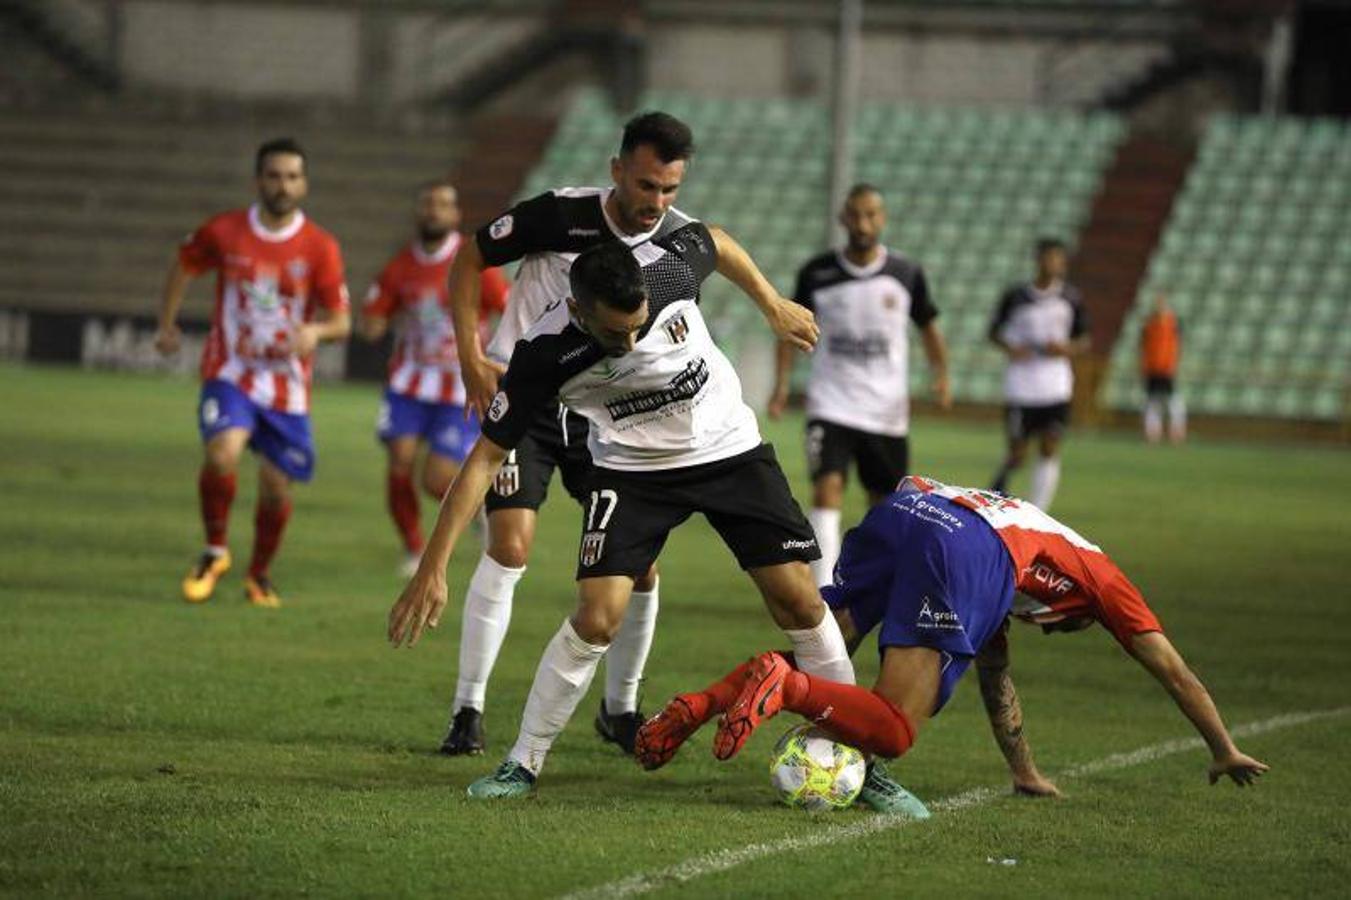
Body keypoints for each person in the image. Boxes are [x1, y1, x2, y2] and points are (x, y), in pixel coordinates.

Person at [388, 239, 865, 804]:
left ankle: (855, 750)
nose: (632, 342)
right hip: (631, 470)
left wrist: (770, 303)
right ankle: (523, 762)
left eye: (638, 326)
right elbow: (484, 460)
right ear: (577, 309)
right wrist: (433, 567)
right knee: (597, 618)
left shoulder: (667, 274)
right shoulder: (541, 355)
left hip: (727, 449)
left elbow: (715, 239)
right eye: (615, 334)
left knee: (801, 602)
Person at [637, 475, 1270, 812]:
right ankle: (788, 689)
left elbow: (997, 678)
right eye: (1062, 625)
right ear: (1075, 612)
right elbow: (1175, 671)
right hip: (964, 547)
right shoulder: (1099, 578)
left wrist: (1024, 773)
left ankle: (700, 703)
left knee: (830, 642)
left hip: (914, 509)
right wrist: (1224, 748)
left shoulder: (1022, 557)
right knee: (893, 728)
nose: (1047, 627)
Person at [432, 113, 729, 758]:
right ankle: (468, 709)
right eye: (648, 185)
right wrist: (470, 356)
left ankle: (620, 709)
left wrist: (770, 302)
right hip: (531, 401)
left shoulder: (672, 238)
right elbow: (468, 256)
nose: (657, 202)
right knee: (510, 548)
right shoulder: (558, 214)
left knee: (641, 566)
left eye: (670, 189)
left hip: (606, 415)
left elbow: (720, 248)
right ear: (618, 169)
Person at [154, 138, 351, 608]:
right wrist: (167, 323)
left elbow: (343, 322)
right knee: (222, 453)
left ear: (303, 184)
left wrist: (316, 332)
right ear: (258, 180)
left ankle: (259, 574)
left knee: (276, 485)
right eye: (273, 175)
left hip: (286, 385)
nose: (282, 185)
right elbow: (184, 264)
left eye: (291, 177)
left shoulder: (320, 247)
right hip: (231, 369)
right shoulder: (225, 231)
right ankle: (214, 550)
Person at [769, 183, 951, 587]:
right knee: (826, 489)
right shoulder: (816, 273)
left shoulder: (906, 274)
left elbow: (930, 328)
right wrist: (782, 385)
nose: (863, 223)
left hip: (886, 412)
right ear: (843, 219)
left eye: (871, 215)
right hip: (831, 403)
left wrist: (941, 375)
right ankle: (825, 592)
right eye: (855, 214)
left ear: (882, 218)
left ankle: (875, 584)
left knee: (885, 505)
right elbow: (789, 329)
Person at [359, 181, 509, 575]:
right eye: (428, 204)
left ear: (456, 215)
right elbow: (373, 320)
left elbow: (508, 308)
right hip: (408, 383)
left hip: (458, 386)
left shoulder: (473, 262)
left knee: (436, 478)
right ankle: (413, 547)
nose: (434, 211)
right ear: (418, 212)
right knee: (399, 460)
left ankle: (479, 508)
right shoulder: (400, 267)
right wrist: (373, 318)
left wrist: (492, 355)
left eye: (443, 205)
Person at [987, 238, 1088, 511]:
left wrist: (1066, 348)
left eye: (1058, 259)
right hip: (1022, 385)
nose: (1053, 264)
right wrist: (1011, 348)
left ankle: (1039, 511)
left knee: (1050, 445)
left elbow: (1083, 339)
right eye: (1048, 258)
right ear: (1038, 260)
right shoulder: (1016, 296)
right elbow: (993, 332)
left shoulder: (1070, 298)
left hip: (1056, 385)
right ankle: (994, 494)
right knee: (1017, 452)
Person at [1140, 292, 1186, 444]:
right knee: (1152, 402)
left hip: (1167, 369)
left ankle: (1176, 431)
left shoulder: (1173, 323)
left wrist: (1175, 364)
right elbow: (1142, 347)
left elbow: (1179, 346)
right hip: (1152, 369)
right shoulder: (1149, 324)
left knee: (1172, 401)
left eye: (1162, 303)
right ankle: (1153, 432)